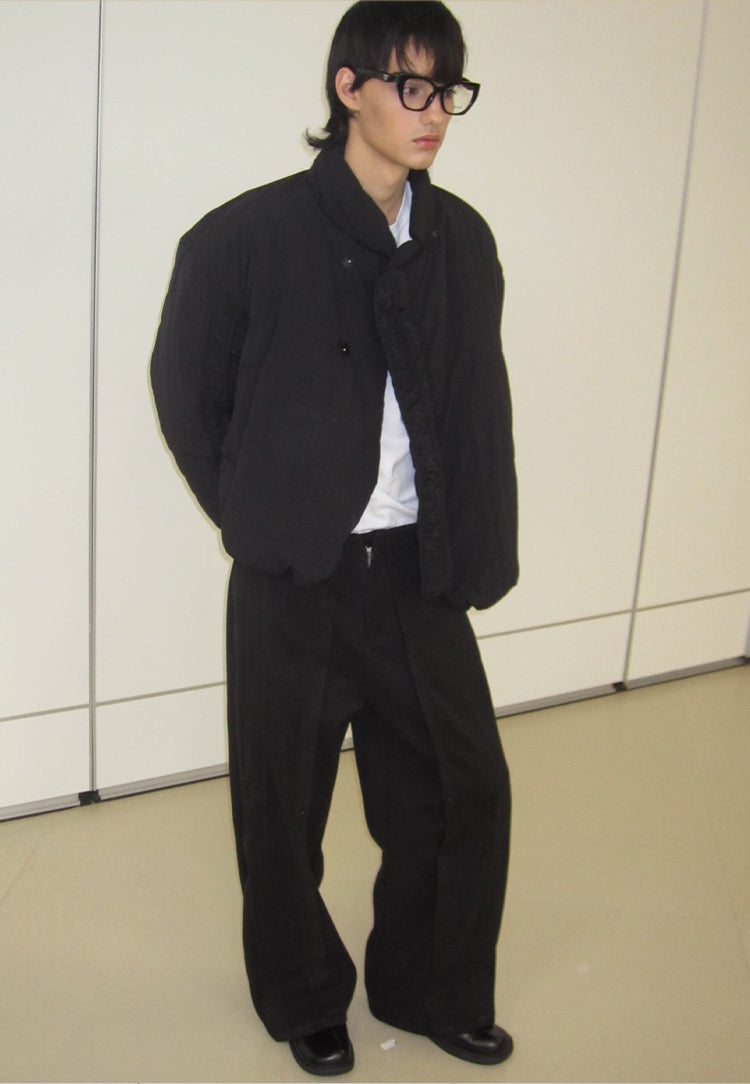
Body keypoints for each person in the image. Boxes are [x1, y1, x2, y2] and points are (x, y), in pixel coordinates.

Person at [150, 0, 518, 1075]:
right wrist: (257, 509)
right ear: (348, 89)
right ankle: (306, 995)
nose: (433, 111)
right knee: (281, 806)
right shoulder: (244, 238)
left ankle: (432, 985)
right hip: (295, 571)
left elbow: (475, 403)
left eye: (447, 89)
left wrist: (475, 536)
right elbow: (186, 393)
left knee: (461, 789)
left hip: (416, 566)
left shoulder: (462, 241)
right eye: (411, 85)